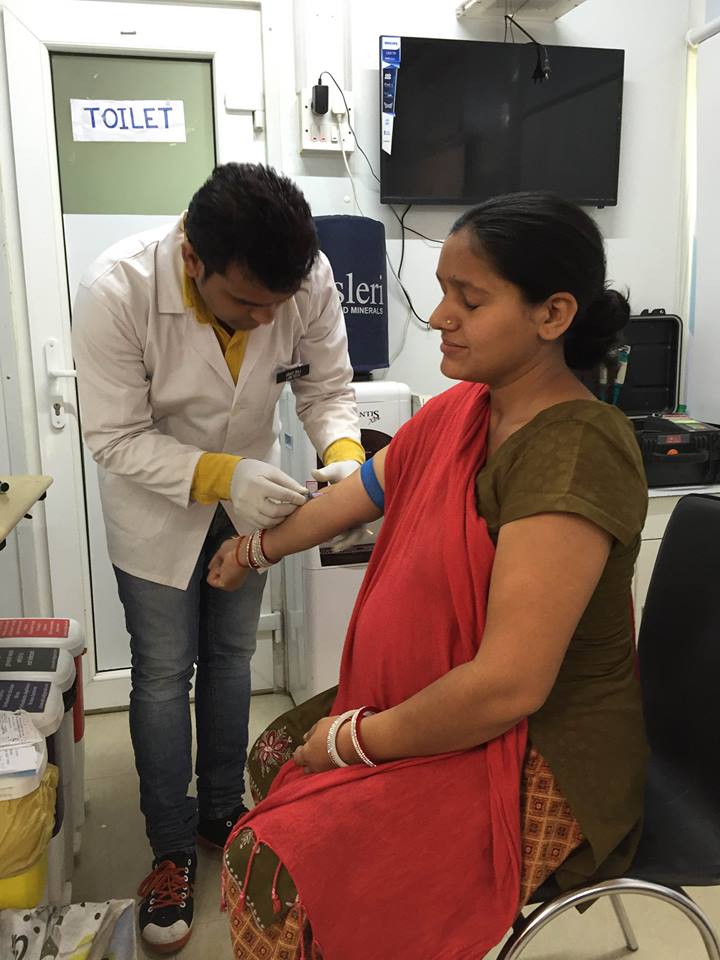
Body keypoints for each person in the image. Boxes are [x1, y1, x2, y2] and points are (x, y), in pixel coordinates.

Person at [207, 191, 650, 960]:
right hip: (458, 695)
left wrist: (351, 740)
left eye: (468, 299)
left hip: (542, 751)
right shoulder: (465, 412)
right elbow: (360, 493)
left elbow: (509, 686)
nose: (439, 316)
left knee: (274, 866)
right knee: (275, 752)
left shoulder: (572, 450)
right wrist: (254, 551)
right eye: (444, 290)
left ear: (552, 316)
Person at [71, 163, 365, 954]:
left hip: (251, 499)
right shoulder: (118, 288)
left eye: (278, 303)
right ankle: (169, 848)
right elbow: (113, 437)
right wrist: (217, 472)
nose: (267, 316)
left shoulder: (302, 280)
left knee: (233, 655)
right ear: (194, 259)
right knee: (165, 672)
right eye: (247, 304)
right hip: (157, 501)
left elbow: (327, 387)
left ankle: (218, 812)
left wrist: (341, 455)